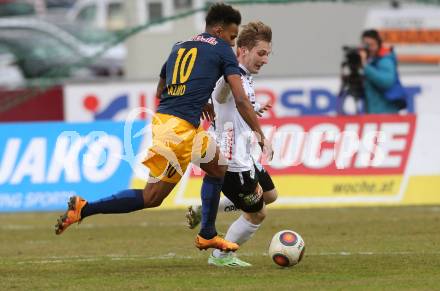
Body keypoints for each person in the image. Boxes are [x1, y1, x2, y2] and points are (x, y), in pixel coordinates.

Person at [54, 3, 272, 253]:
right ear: (219, 30)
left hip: (168, 122)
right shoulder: (221, 49)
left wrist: (197, 100)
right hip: (179, 129)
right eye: (232, 37)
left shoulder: (179, 46)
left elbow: (160, 89)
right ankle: (206, 234)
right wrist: (260, 134)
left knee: (193, 178)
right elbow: (241, 99)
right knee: (178, 186)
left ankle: (86, 208)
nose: (232, 44)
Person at [186, 21, 278, 267]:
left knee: (270, 195)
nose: (265, 59)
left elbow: (234, 106)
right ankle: (221, 255)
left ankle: (206, 208)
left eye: (268, 54)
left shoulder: (245, 78)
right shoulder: (230, 75)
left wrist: (252, 110)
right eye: (261, 53)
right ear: (243, 50)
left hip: (246, 156)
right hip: (231, 162)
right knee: (257, 213)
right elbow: (220, 94)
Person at [360, 29, 406, 114]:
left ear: (378, 44)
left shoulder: (385, 60)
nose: (369, 48)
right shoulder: (370, 61)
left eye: (371, 45)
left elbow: (386, 82)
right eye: (366, 45)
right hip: (373, 111)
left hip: (386, 112)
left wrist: (365, 66)